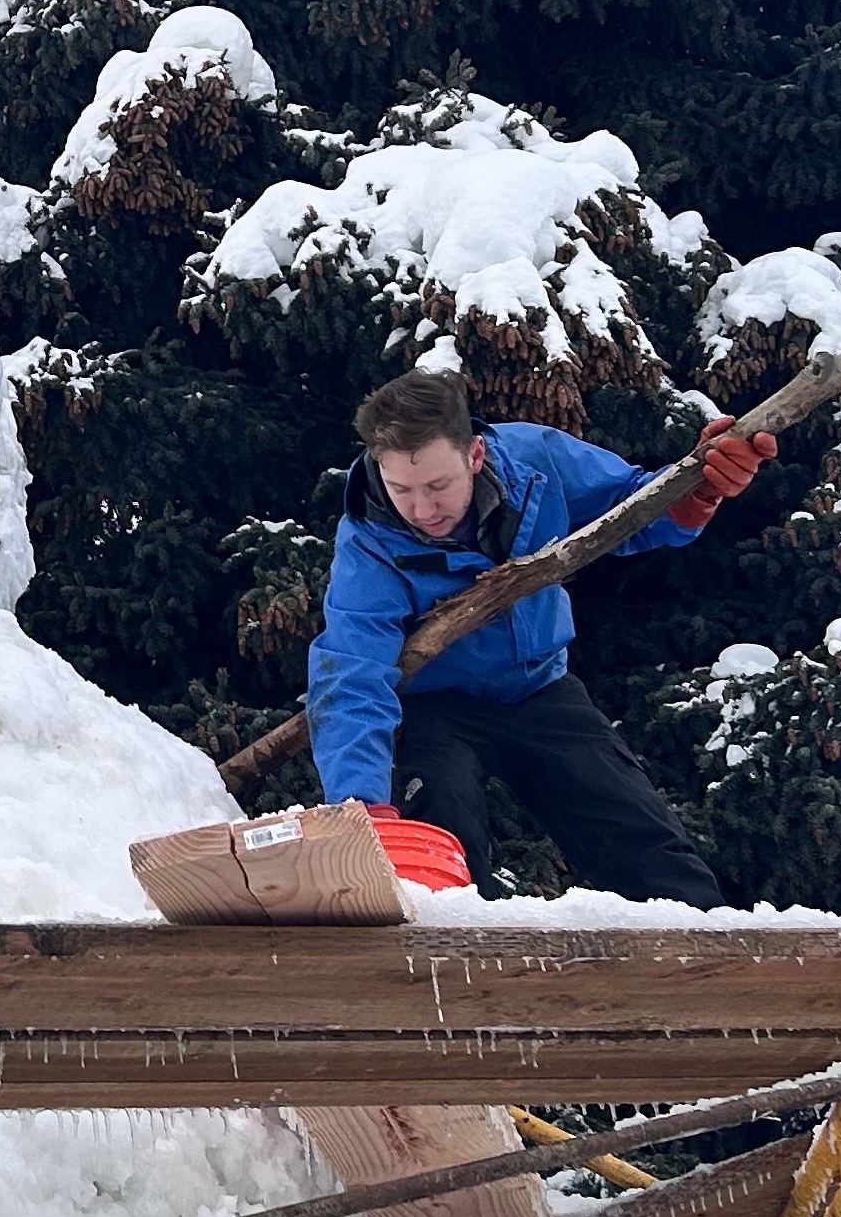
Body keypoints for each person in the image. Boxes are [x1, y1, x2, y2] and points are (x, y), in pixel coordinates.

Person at [309, 369, 774, 904]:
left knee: (645, 844)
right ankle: (455, 975)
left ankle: (704, 959)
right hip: (435, 708)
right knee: (440, 849)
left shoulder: (538, 463)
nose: (421, 509)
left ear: (475, 455)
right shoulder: (370, 542)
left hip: (540, 690)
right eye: (401, 489)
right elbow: (350, 672)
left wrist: (698, 488)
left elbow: (632, 506)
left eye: (438, 486)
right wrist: (362, 804)